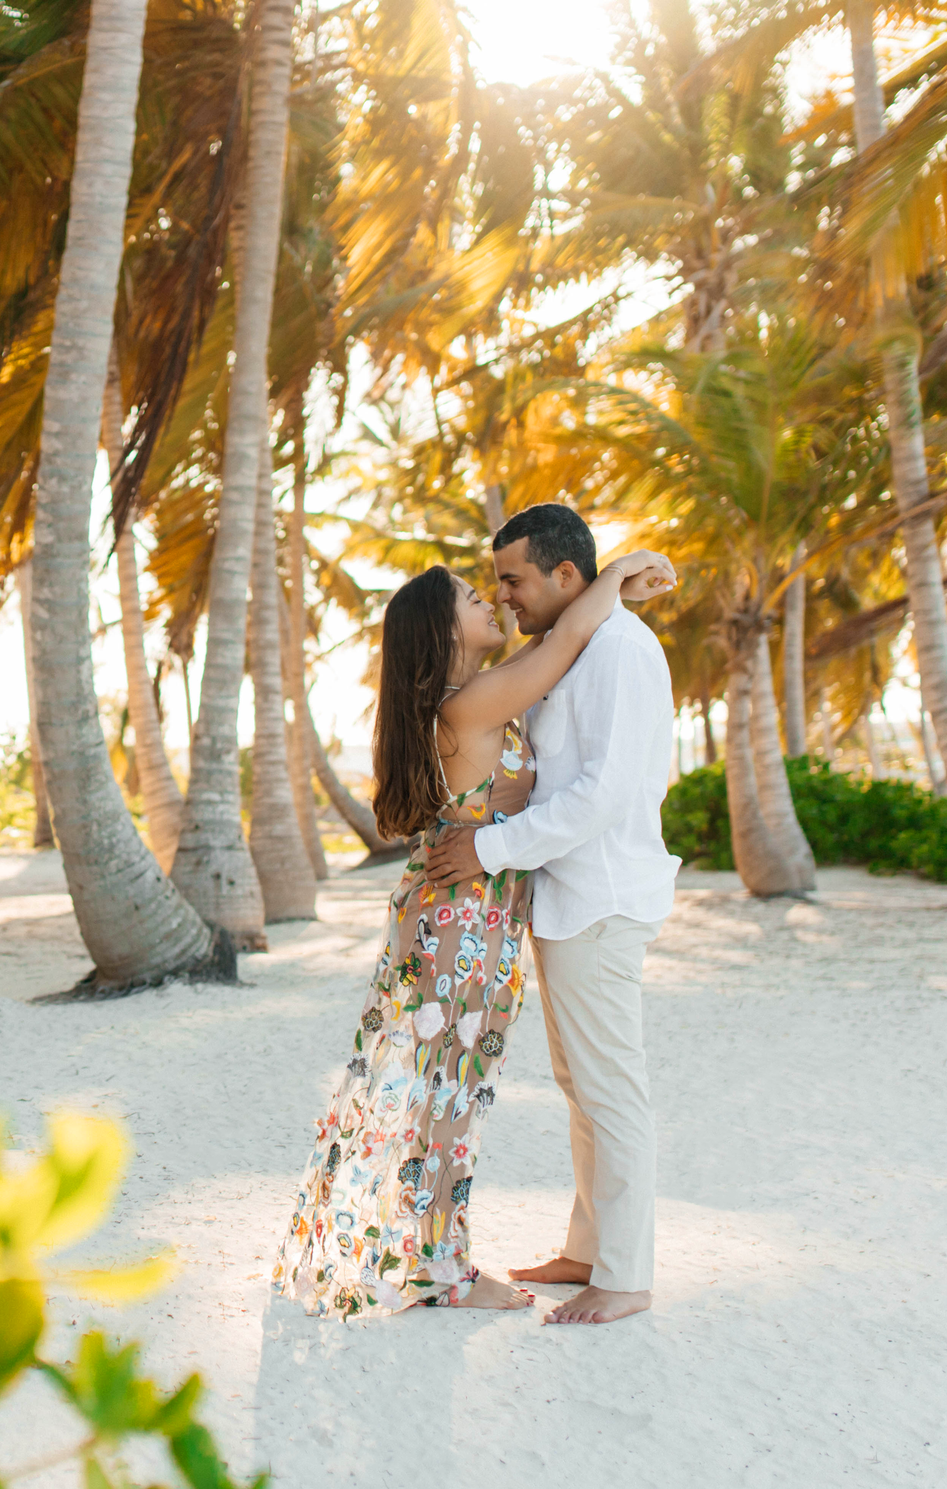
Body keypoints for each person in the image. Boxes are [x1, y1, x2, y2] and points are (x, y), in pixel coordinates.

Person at [271, 531, 673, 1318]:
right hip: (461, 931)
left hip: (473, 926)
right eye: (472, 594)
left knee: (446, 1095)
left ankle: (433, 1258)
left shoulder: (476, 698)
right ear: (442, 630)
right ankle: (443, 1269)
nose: (491, 597)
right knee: (446, 1101)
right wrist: (619, 572)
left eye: (499, 582)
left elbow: (562, 657)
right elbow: (564, 641)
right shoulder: (470, 703)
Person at [419, 503, 681, 1327]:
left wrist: (493, 849)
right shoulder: (578, 645)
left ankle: (626, 1276)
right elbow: (567, 771)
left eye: (513, 578)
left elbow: (607, 794)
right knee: (582, 1086)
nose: (503, 597)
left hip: (600, 895)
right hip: (569, 898)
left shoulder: (616, 650)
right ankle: (591, 1248)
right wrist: (516, 796)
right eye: (494, 582)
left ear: (567, 576)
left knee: (611, 1090)